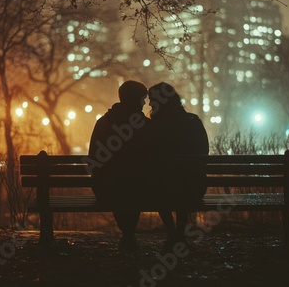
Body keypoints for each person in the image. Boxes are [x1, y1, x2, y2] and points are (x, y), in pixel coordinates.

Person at [88, 80, 151, 250]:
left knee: (121, 185)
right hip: (140, 189)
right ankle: (129, 233)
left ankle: (128, 233)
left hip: (107, 189)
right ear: (136, 100)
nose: (145, 103)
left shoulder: (103, 122)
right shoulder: (145, 126)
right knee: (133, 185)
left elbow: (93, 158)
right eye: (142, 99)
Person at [148, 82, 209, 246]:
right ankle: (180, 233)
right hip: (194, 187)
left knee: (162, 184)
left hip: (163, 188)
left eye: (151, 99)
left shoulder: (154, 127)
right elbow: (204, 151)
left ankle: (172, 232)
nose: (148, 104)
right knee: (182, 181)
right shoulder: (193, 121)